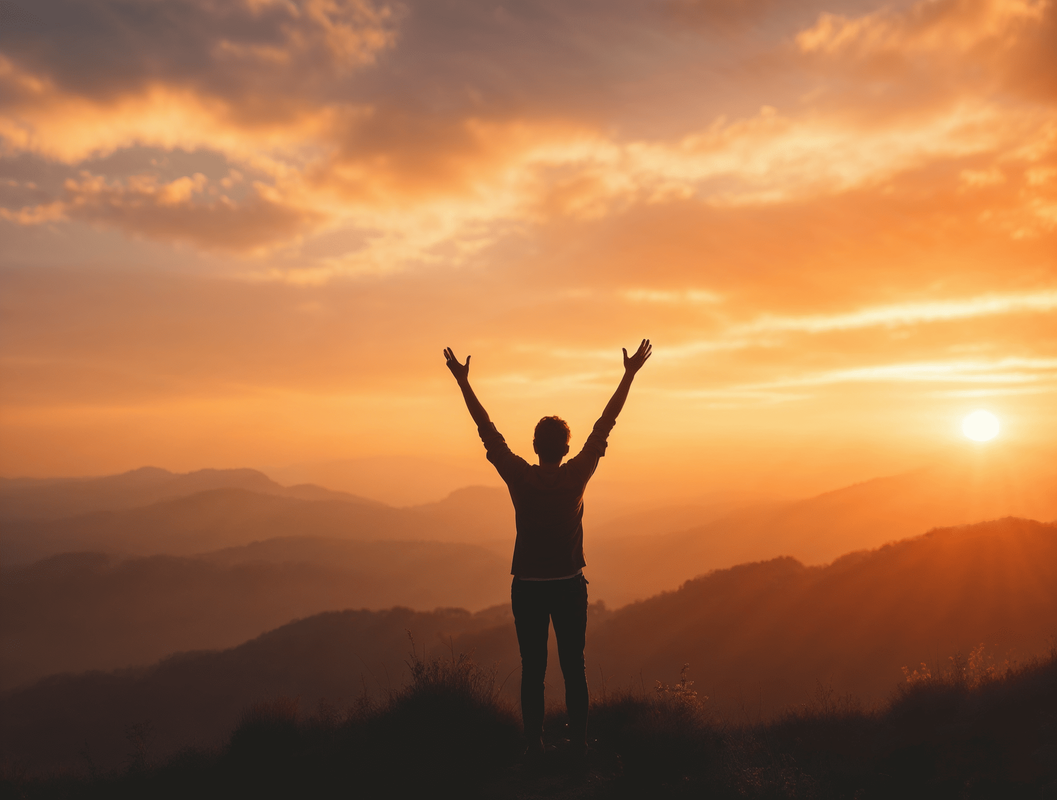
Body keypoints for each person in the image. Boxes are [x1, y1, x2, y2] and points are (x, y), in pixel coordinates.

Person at [443, 339, 652, 758]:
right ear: (566, 448)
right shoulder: (577, 475)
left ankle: (534, 744)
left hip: (528, 588)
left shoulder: (520, 477)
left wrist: (464, 383)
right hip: (570, 586)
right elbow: (604, 425)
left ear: (536, 447)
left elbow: (488, 432)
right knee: (574, 667)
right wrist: (628, 375)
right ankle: (578, 743)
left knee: (533, 669)